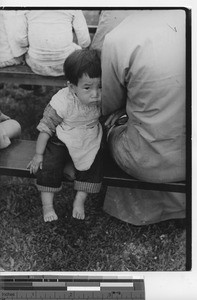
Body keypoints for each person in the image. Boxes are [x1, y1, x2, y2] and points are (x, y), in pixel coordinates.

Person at [101, 10, 186, 225]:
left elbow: (109, 106)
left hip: (145, 163)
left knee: (109, 125)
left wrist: (124, 110)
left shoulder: (118, 37)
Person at [27, 49, 103, 222]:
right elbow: (46, 128)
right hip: (62, 137)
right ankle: (48, 206)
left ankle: (79, 199)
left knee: (94, 161)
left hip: (88, 135)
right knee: (49, 165)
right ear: (72, 87)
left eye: (100, 86)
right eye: (87, 87)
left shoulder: (101, 98)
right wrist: (38, 154)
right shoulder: (63, 102)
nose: (95, 94)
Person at [24, 10, 91, 76]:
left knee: (28, 51)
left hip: (37, 65)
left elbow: (20, 39)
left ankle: (30, 87)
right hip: (66, 64)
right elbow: (84, 41)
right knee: (76, 49)